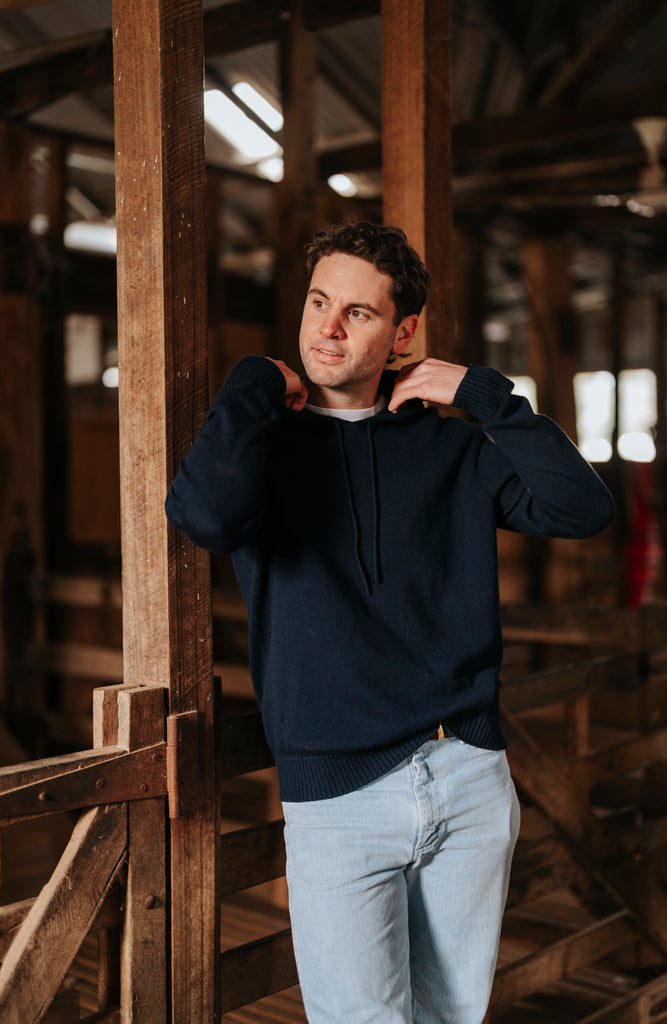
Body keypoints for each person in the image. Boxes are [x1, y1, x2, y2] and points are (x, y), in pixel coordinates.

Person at [165, 221, 615, 1024]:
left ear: (403, 331)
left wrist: (485, 395)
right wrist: (248, 383)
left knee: (450, 1017)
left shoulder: (450, 451)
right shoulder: (263, 447)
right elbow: (202, 515)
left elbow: (580, 507)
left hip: (467, 776)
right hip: (336, 797)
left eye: (358, 313)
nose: (327, 329)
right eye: (317, 303)